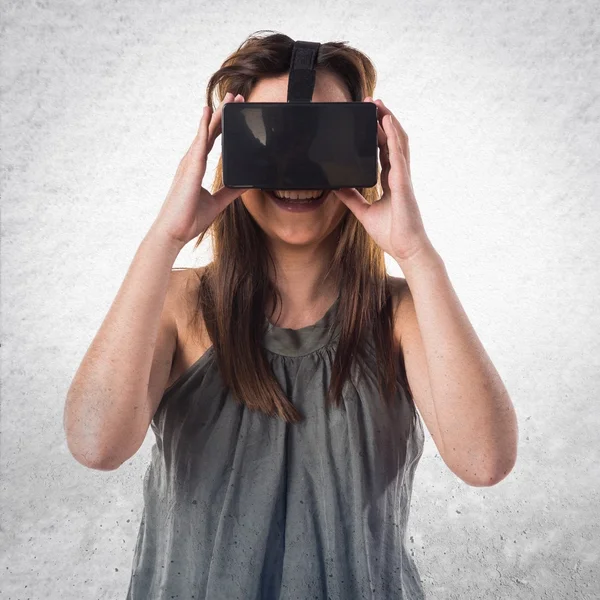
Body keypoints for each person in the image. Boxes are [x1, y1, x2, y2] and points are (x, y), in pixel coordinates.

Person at [64, 30, 518, 600]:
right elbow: (94, 445)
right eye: (272, 137)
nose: (298, 170)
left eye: (324, 138)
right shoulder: (176, 303)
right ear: (227, 151)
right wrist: (167, 236)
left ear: (370, 153)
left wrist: (416, 254)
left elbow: (485, 462)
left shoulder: (402, 314)